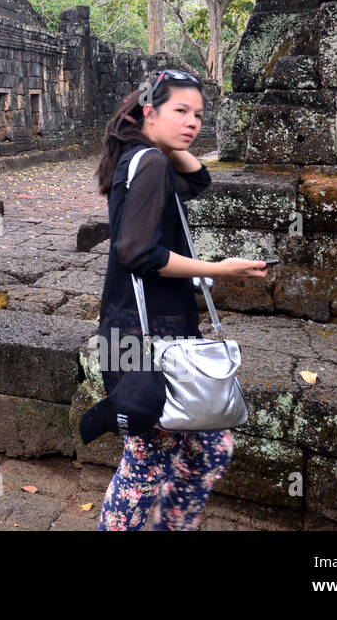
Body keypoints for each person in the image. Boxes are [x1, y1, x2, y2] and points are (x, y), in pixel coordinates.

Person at [90, 69, 267, 530]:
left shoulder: (145, 156)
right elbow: (138, 253)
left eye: (199, 115)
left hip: (152, 326)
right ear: (149, 111)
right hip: (141, 333)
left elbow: (200, 179)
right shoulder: (149, 162)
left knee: (210, 449)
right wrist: (219, 270)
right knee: (147, 462)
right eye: (180, 111)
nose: (193, 124)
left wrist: (169, 137)